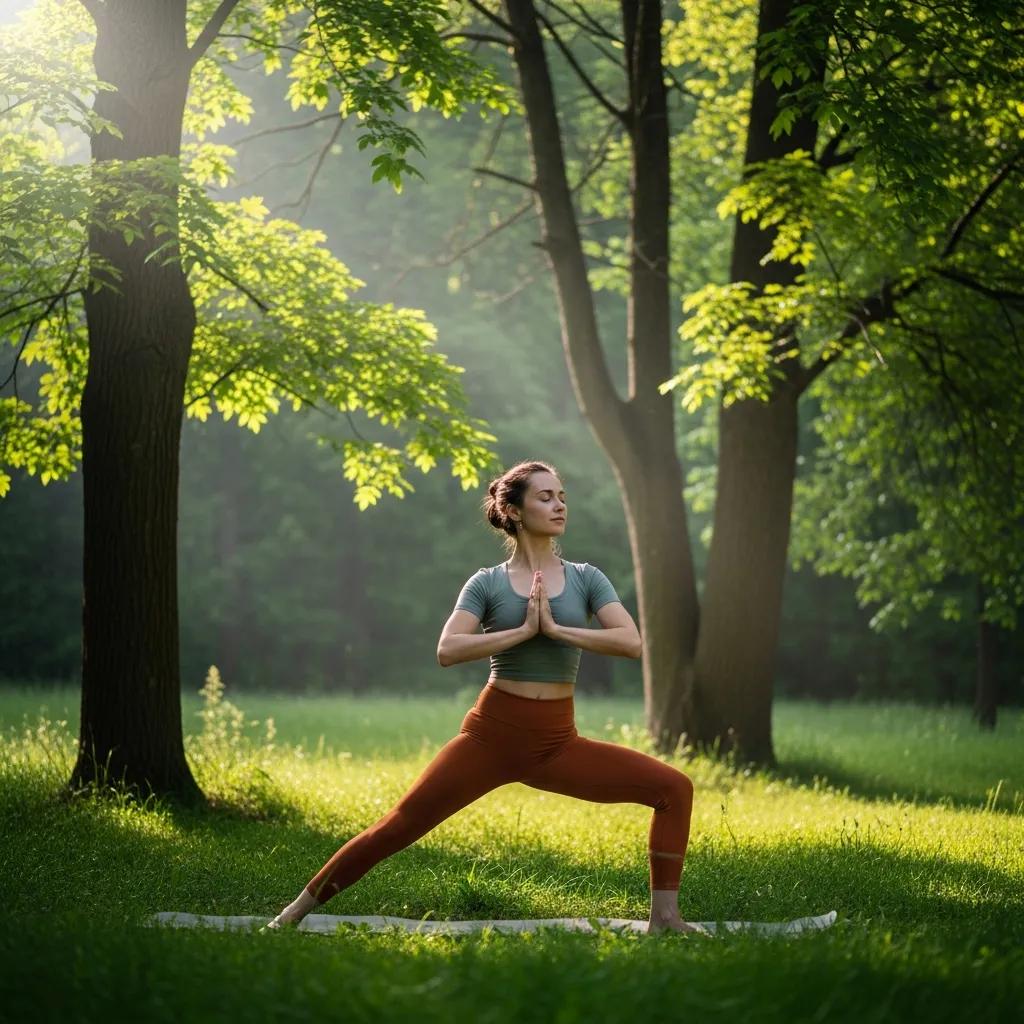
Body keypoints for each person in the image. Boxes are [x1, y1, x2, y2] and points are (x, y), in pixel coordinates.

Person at [266, 460, 705, 935]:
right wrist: (519, 632)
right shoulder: (487, 582)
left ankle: (665, 918)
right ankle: (290, 916)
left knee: (673, 789)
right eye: (545, 497)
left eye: (561, 496)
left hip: (556, 743)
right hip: (490, 737)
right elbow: (447, 649)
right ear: (513, 511)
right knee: (396, 827)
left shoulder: (585, 577)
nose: (559, 505)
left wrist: (556, 629)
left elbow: (630, 642)